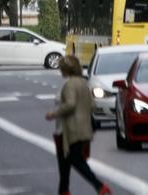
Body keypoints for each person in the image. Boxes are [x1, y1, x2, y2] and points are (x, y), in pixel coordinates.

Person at [45, 56, 111, 195]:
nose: (60, 70)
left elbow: (70, 104)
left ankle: (100, 187)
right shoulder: (83, 83)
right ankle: (64, 191)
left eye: (61, 68)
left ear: (66, 69)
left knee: (74, 161)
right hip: (82, 129)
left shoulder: (69, 85)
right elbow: (92, 104)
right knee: (65, 164)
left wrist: (54, 113)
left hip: (68, 130)